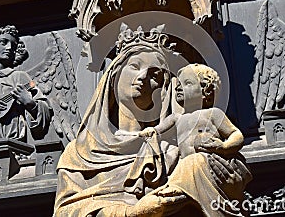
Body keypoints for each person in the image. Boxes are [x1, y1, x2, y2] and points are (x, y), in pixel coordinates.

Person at [54, 24, 251, 217]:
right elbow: (65, 213)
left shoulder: (176, 145)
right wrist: (132, 212)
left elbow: (228, 181)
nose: (142, 77)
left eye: (155, 74)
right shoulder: (79, 153)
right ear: (113, 75)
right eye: (134, 66)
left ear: (163, 89)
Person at [139, 64, 252, 216]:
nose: (179, 88)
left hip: (215, 167)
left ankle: (175, 187)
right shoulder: (177, 118)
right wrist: (150, 131)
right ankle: (177, 186)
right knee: (181, 159)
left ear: (206, 92)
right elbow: (158, 131)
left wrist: (223, 147)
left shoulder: (212, 114)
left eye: (187, 83)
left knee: (195, 160)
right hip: (187, 169)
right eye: (177, 84)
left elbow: (236, 135)